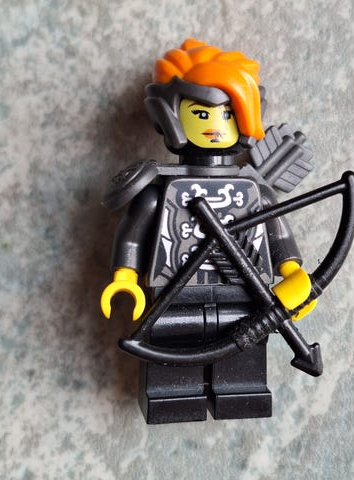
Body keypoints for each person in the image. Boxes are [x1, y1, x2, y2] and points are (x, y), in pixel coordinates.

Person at [101, 39, 314, 424]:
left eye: (227, 114)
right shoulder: (159, 187)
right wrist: (125, 279)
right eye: (201, 114)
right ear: (170, 116)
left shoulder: (254, 188)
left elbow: (277, 232)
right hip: (173, 295)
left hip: (246, 296)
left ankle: (241, 392)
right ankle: (170, 397)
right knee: (171, 348)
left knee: (246, 351)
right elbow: (133, 233)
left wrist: (292, 273)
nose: (215, 126)